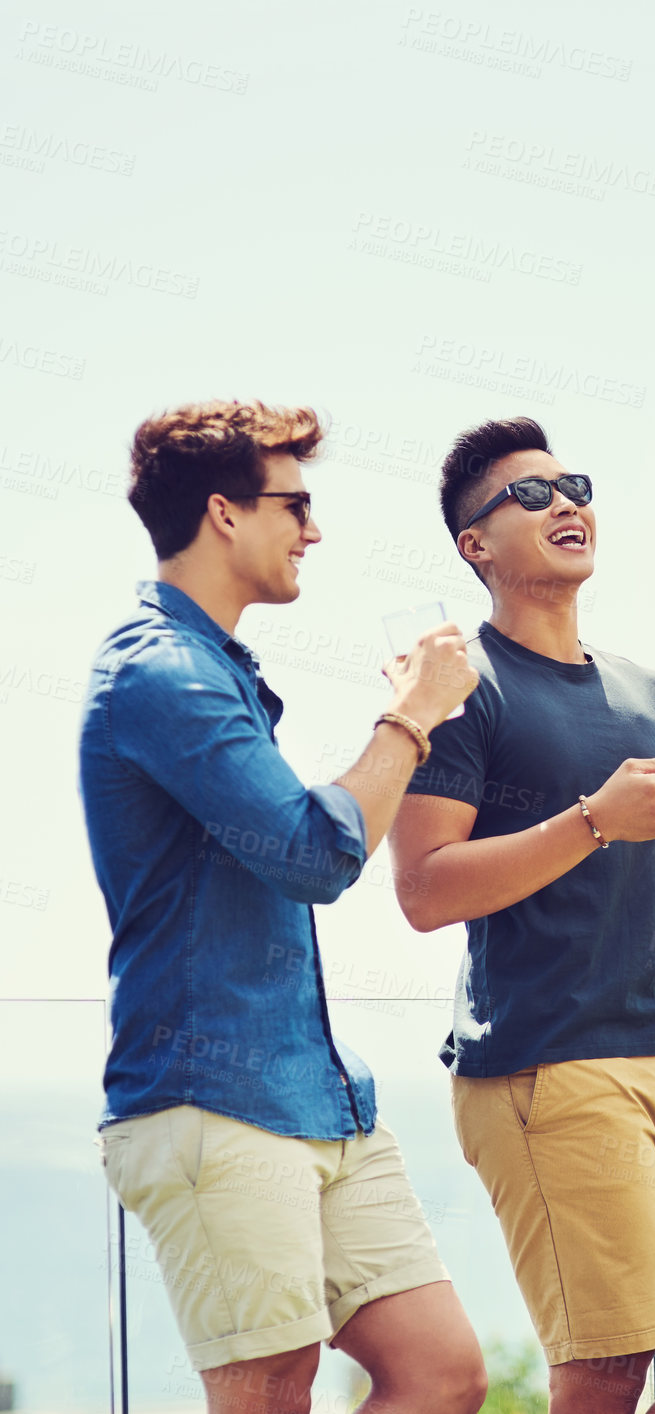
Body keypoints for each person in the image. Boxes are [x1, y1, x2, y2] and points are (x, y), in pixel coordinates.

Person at [388, 416, 655, 1414]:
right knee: (605, 1371)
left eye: (573, 485)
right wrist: (592, 820)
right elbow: (423, 889)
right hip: (547, 1066)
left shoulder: (646, 691)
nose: (566, 503)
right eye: (530, 494)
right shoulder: (463, 688)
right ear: (475, 546)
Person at [79, 399, 487, 1414]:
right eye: (293, 504)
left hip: (319, 1097)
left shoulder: (214, 668)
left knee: (440, 1373)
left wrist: (408, 723)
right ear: (224, 513)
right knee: (267, 1395)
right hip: (210, 1100)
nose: (313, 530)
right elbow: (313, 853)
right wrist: (412, 715)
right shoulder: (160, 674)